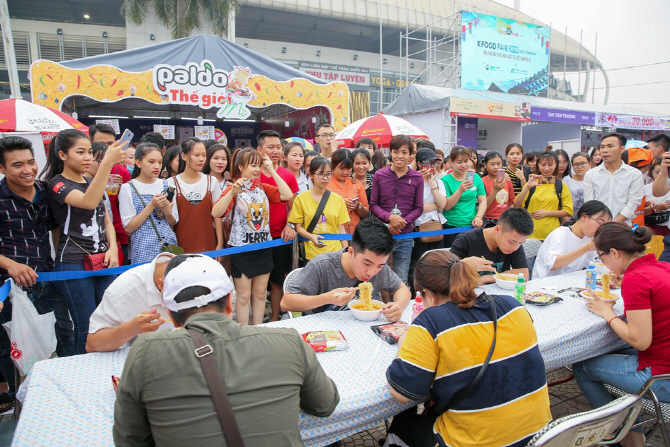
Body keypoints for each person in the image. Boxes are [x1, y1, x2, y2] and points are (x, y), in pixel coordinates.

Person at [113, 254, 340, 447]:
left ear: (172, 316)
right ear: (230, 302)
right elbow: (325, 404)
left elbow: (130, 439)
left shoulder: (145, 353)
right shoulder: (289, 341)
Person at [385, 250, 551, 447]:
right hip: (541, 437)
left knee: (403, 423)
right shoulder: (513, 305)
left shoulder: (430, 322)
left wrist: (404, 342)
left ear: (427, 294)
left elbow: (402, 393)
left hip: (475, 442)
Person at [574, 223, 670, 447]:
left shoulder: (637, 279)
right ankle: (633, 434)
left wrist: (607, 313)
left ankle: (621, 435)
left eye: (601, 257)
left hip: (662, 377)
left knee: (583, 367)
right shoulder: (662, 267)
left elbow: (640, 341)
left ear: (615, 253)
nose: (603, 264)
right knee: (615, 349)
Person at [0, 136, 74, 404]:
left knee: (65, 331)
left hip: (47, 276)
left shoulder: (45, 191)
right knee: (13, 343)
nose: (27, 170)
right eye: (17, 165)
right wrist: (10, 265)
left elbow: (55, 227)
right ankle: (21, 398)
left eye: (31, 162)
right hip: (10, 287)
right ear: (3, 169)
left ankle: (68, 387)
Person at [43, 128, 127, 355]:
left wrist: (112, 249)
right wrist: (107, 165)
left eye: (90, 152)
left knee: (111, 319)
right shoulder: (57, 184)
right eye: (80, 152)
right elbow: (89, 202)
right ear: (62, 155)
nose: (88, 157)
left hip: (104, 260)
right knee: (85, 326)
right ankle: (83, 376)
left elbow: (106, 219)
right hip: (73, 263)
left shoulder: (92, 180)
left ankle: (108, 369)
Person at [212, 148, 292, 325]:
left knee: (260, 293)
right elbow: (216, 212)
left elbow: (287, 195)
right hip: (241, 250)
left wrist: (272, 171)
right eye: (253, 165)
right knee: (243, 296)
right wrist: (232, 192)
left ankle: (257, 329)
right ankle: (243, 331)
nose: (257, 169)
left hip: (263, 248)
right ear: (241, 166)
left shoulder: (263, 187)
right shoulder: (233, 189)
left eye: (259, 165)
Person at [282, 217, 410, 320]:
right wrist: (327, 298)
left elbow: (401, 289)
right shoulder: (322, 265)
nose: (371, 272)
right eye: (366, 263)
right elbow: (286, 303)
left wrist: (398, 306)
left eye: (380, 266)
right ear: (350, 252)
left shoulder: (378, 266)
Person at [86, 253, 175, 352]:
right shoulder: (124, 289)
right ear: (161, 285)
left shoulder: (193, 265)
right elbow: (93, 345)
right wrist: (132, 328)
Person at [257, 130, 300, 322]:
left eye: (278, 147)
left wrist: (290, 225)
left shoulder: (287, 176)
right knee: (257, 284)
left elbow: (293, 207)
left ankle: (275, 319)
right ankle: (256, 320)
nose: (276, 151)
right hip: (256, 239)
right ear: (260, 150)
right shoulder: (253, 174)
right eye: (270, 147)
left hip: (279, 238)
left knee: (277, 282)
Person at [370, 135, 423, 285]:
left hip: (405, 235)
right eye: (396, 151)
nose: (400, 156)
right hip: (382, 233)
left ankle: (399, 307)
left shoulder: (417, 177)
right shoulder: (379, 175)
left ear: (411, 155)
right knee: (376, 275)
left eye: (404, 152)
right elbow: (373, 204)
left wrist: (401, 222)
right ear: (391, 152)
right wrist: (389, 218)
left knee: (401, 278)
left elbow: (419, 208)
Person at [118, 143, 178, 265]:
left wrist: (167, 211)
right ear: (138, 163)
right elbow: (128, 227)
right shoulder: (128, 188)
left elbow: (173, 222)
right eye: (151, 162)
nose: (157, 166)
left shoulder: (167, 185)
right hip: (143, 248)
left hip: (168, 246)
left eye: (160, 162)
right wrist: (152, 205)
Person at [167, 138, 223, 254]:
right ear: (184, 156)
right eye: (196, 155)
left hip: (208, 244)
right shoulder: (171, 183)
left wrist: (220, 243)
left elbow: (217, 216)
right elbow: (170, 220)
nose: (201, 159)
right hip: (180, 246)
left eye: (204, 155)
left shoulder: (211, 181)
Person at [450, 207, 533, 285]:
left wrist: (486, 278)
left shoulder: (515, 242)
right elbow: (445, 270)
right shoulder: (467, 239)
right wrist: (464, 264)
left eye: (521, 242)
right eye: (511, 242)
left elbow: (524, 275)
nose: (515, 247)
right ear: (497, 229)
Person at [289, 156, 350, 262]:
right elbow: (298, 227)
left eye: (328, 174)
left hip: (335, 253)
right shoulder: (301, 199)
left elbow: (341, 229)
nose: (325, 178)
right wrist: (311, 236)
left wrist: (346, 252)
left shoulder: (338, 199)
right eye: (321, 174)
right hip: (312, 254)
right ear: (311, 175)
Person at [533, 200, 612, 279]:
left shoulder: (588, 238)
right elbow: (553, 264)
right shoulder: (560, 233)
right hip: (547, 284)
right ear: (584, 217)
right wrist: (585, 248)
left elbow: (592, 264)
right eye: (600, 223)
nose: (601, 228)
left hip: (571, 283)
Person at [90, 124, 131, 262]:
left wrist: (121, 191)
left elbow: (127, 206)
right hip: (91, 237)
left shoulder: (122, 172)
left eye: (110, 143)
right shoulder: (84, 173)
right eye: (101, 144)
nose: (107, 148)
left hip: (118, 234)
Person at [584, 133, 644, 225]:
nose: (605, 150)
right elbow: (589, 202)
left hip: (622, 227)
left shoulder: (634, 174)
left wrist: (614, 223)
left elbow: (634, 202)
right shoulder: (591, 174)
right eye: (602, 147)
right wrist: (600, 222)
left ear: (622, 149)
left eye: (610, 146)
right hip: (596, 226)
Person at [515, 151, 573, 241]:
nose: (546, 168)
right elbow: (517, 204)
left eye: (550, 165)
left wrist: (547, 213)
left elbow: (569, 211)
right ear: (538, 164)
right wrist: (527, 187)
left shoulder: (561, 185)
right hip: (530, 234)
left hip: (553, 234)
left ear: (556, 165)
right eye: (543, 165)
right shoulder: (532, 183)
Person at [410, 148, 447, 285]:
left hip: (436, 227)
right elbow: (417, 207)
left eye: (434, 163)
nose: (432, 167)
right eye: (428, 163)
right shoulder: (413, 181)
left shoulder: (439, 182)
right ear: (419, 163)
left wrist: (432, 184)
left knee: (438, 263)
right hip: (418, 228)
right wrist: (436, 205)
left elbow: (443, 204)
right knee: (419, 264)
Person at [440, 146, 487, 247]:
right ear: (451, 162)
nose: (463, 165)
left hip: (472, 226)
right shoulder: (444, 180)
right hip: (451, 226)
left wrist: (478, 217)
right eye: (459, 162)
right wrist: (460, 191)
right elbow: (447, 206)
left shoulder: (476, 178)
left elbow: (482, 200)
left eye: (466, 161)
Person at [328, 149, 369, 233]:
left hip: (354, 233)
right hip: (332, 233)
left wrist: (358, 205)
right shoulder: (325, 184)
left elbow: (365, 214)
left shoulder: (356, 184)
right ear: (333, 167)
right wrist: (340, 204)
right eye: (341, 168)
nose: (345, 172)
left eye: (349, 168)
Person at [481, 151, 515, 226]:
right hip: (489, 219)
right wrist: (495, 190)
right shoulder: (482, 181)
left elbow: (511, 202)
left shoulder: (507, 180)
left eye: (498, 164)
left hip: (505, 219)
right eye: (492, 164)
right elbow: (483, 205)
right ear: (485, 165)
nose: (496, 167)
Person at [563, 151, 591, 221]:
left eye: (583, 163)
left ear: (589, 164)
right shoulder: (567, 180)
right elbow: (562, 203)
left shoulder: (594, 179)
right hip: (571, 220)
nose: (579, 167)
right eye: (576, 164)